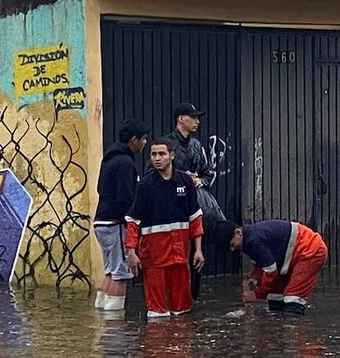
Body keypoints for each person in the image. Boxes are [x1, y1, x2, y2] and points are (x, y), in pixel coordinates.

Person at [125, 136, 205, 318]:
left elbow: (195, 218)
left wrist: (198, 250)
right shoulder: (145, 186)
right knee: (157, 312)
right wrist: (131, 252)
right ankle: (157, 345)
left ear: (172, 155)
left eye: (162, 154)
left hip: (180, 257)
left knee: (182, 310)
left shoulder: (185, 182)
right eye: (153, 154)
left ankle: (181, 344)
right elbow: (133, 221)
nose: (157, 158)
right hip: (154, 259)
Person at [167, 102, 224, 300]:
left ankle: (193, 297)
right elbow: (155, 172)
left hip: (194, 206)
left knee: (195, 250)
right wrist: (182, 176)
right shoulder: (166, 145)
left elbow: (209, 172)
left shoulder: (196, 146)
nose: (197, 121)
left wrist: (200, 180)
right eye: (193, 117)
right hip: (172, 207)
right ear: (181, 119)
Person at [214, 219, 327, 315]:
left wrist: (256, 294)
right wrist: (253, 280)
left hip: (310, 250)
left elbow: (271, 272)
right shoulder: (249, 239)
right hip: (292, 255)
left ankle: (295, 334)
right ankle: (278, 334)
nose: (233, 250)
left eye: (232, 245)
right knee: (274, 297)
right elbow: (261, 267)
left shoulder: (253, 240)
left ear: (238, 232)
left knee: (293, 300)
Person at [93, 119, 149, 311]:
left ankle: (101, 316)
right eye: (143, 139)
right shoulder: (125, 162)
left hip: (101, 222)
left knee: (110, 270)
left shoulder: (109, 158)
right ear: (134, 140)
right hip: (115, 222)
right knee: (121, 272)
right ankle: (115, 326)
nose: (145, 143)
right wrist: (133, 219)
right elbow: (126, 197)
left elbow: (100, 188)